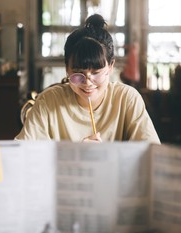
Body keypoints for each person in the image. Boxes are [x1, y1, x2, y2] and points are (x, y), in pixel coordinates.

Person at [15, 14, 160, 144]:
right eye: (78, 73)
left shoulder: (127, 99)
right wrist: (76, 156)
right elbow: (22, 155)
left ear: (111, 66)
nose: (88, 82)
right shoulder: (48, 101)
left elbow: (150, 154)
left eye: (96, 72)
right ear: (67, 69)